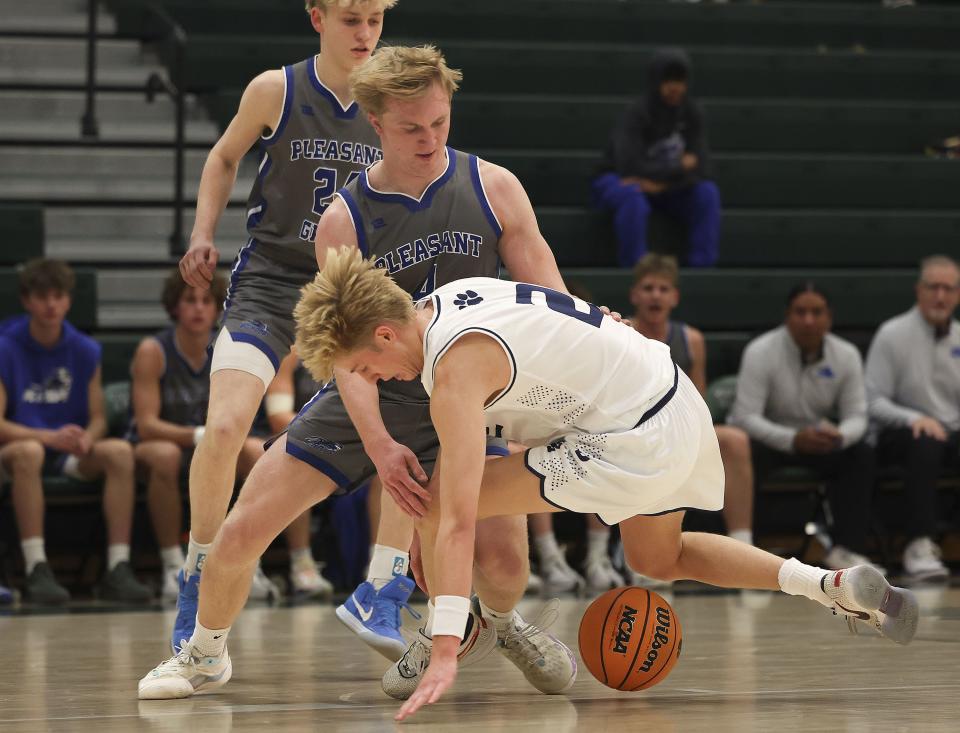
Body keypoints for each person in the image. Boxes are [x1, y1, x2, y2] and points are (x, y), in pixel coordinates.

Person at [289, 252, 919, 720]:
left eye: (364, 369)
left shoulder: (452, 371)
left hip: (630, 437)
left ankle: (445, 636)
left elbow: (456, 517)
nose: (374, 378)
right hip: (674, 401)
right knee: (657, 557)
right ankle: (828, 586)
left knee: (443, 504)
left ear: (384, 333)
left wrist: (450, 645)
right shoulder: (459, 293)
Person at [138, 45, 579, 702]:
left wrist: (571, 378)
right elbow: (346, 354)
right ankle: (205, 652)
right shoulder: (345, 219)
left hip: (464, 398)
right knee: (243, 524)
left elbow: (553, 306)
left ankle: (497, 619)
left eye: (439, 121)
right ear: (375, 122)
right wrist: (378, 442)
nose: (429, 139)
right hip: (376, 389)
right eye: (411, 128)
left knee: (506, 566)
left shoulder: (495, 188)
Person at [170, 0, 394, 652]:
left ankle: (389, 586)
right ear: (317, 16)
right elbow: (220, 157)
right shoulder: (277, 88)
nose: (365, 33)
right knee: (223, 426)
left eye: (376, 19)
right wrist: (202, 234)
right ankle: (198, 566)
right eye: (352, 18)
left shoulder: (389, 100)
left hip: (350, 287)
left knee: (414, 428)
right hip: (270, 281)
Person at [0, 259, 151, 604]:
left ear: (68, 300)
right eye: (42, 297)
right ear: (27, 301)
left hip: (67, 451)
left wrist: (88, 437)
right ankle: (36, 566)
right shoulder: (6, 347)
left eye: (58, 296)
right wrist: (47, 438)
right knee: (29, 452)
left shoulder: (84, 349)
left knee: (119, 452)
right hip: (18, 452)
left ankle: (118, 566)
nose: (51, 305)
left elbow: (97, 416)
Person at [129, 269, 286, 601]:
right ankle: (173, 564)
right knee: (165, 456)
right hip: (166, 444)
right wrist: (204, 435)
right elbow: (146, 425)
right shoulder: (153, 351)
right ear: (174, 306)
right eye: (190, 300)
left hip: (217, 444)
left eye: (206, 301)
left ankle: (247, 561)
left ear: (218, 308)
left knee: (257, 451)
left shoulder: (231, 349)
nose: (199, 309)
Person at [728, 283, 880, 572]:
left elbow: (858, 415)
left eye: (816, 312)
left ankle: (847, 549)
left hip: (821, 441)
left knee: (860, 453)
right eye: (801, 312)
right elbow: (745, 417)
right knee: (745, 452)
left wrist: (840, 436)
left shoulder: (845, 355)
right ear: (788, 316)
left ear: (829, 318)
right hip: (772, 440)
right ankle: (752, 549)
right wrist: (793, 439)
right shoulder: (761, 352)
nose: (808, 320)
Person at [629, 254, 754, 567]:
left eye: (663, 288)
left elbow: (698, 399)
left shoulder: (691, 340)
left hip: (679, 425)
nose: (655, 295)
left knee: (734, 440)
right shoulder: (622, 330)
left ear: (674, 297)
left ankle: (742, 542)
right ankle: (602, 553)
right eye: (648, 288)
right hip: (631, 426)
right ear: (635, 295)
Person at [865, 254, 959, 581]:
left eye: (949, 289)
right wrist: (912, 418)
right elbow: (872, 400)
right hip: (900, 433)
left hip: (951, 432)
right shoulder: (892, 334)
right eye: (933, 287)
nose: (941, 296)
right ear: (919, 290)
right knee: (925, 442)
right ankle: (918, 544)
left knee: (936, 440)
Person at [592, 47, 720, 268]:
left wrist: (662, 183)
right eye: (668, 80)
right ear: (656, 80)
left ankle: (702, 268)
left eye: (680, 80)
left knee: (707, 193)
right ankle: (636, 270)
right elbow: (629, 166)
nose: (675, 88)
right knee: (632, 195)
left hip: (664, 187)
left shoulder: (692, 113)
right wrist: (679, 167)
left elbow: (702, 168)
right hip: (618, 179)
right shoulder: (637, 112)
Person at [264, 348, 335, 597]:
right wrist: (327, 434)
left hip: (345, 440)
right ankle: (301, 563)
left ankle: (381, 571)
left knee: (392, 459)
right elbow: (278, 416)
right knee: (299, 456)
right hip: (305, 438)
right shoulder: (292, 355)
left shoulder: (359, 344)